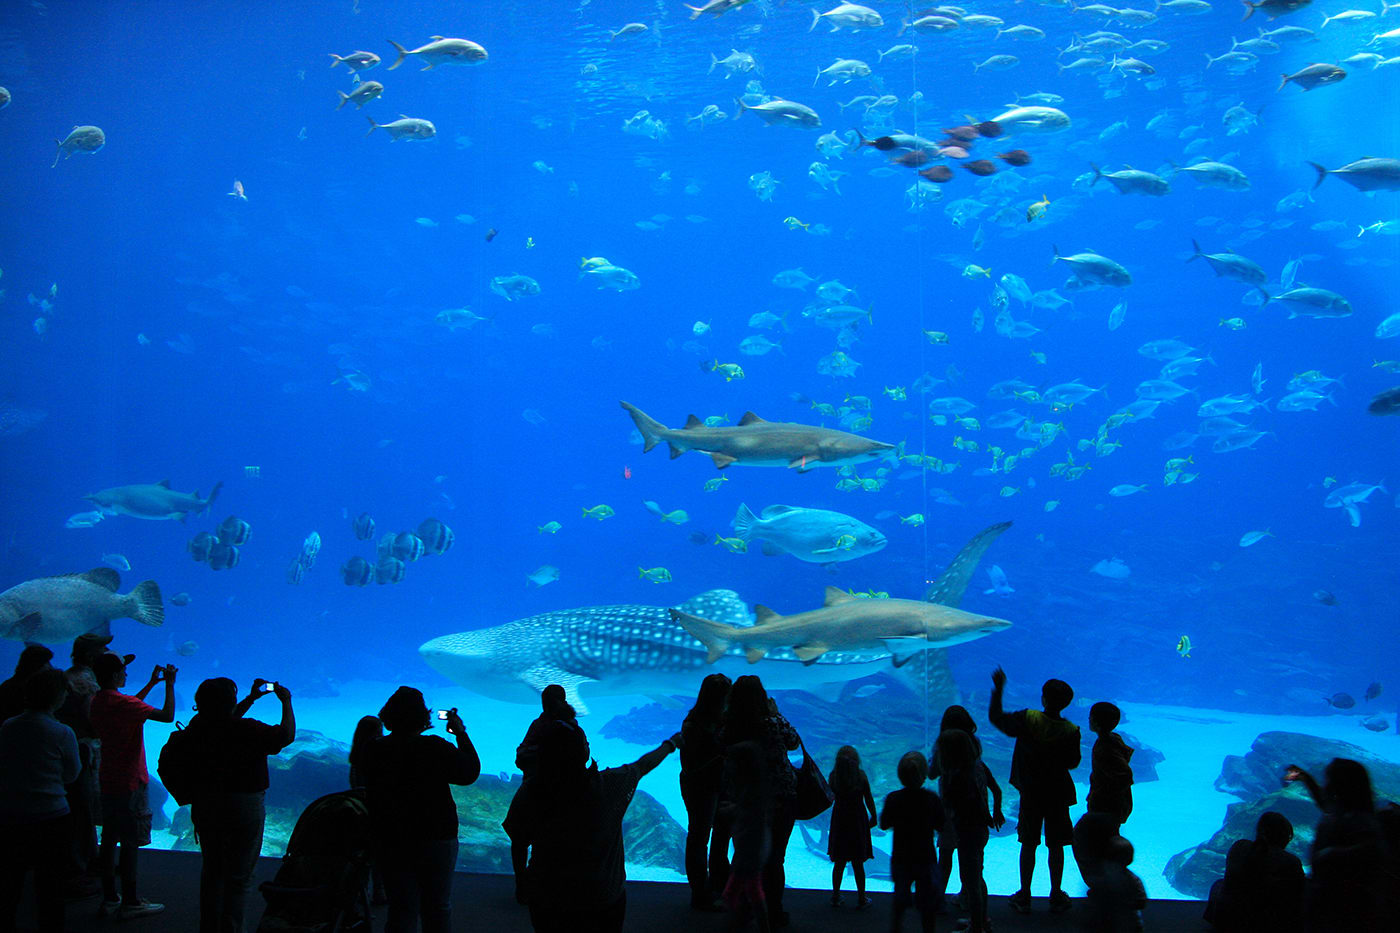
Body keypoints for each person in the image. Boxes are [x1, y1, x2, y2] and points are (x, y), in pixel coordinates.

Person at [516, 718, 681, 933]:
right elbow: (642, 766)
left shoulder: (531, 791)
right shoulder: (609, 784)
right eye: (584, 742)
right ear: (582, 752)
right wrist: (670, 745)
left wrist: (522, 883)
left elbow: (518, 840)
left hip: (548, 895)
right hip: (601, 895)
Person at [359, 686, 480, 933]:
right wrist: (460, 733)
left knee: (401, 908)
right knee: (437, 907)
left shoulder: (374, 748)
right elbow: (469, 773)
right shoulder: (434, 746)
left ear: (388, 714)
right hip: (436, 834)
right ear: (423, 717)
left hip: (391, 835)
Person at [183, 677, 296, 933]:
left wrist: (251, 698)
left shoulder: (197, 726)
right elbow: (286, 735)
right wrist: (286, 701)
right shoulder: (247, 729)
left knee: (212, 870)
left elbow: (221, 719)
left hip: (206, 803)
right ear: (230, 702)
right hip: (244, 805)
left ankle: (209, 928)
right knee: (239, 876)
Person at [987, 666, 1080, 915]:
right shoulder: (1071, 730)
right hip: (1057, 794)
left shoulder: (1028, 718)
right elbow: (1073, 762)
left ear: (1043, 698)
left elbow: (997, 719)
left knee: (1028, 843)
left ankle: (1025, 894)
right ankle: (1056, 893)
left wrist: (998, 690)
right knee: (1056, 845)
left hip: (1031, 793)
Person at [89, 653, 175, 921]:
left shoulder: (99, 700)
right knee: (129, 843)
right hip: (130, 782)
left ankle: (110, 898)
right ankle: (131, 900)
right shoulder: (123, 704)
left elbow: (131, 705)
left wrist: (151, 683)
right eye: (124, 671)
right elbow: (167, 716)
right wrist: (169, 684)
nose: (126, 674)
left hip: (107, 779)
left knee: (109, 840)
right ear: (116, 675)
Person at [0, 669, 80, 933]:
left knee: (10, 881)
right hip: (52, 816)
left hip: (12, 815)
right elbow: (72, 774)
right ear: (57, 696)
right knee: (50, 885)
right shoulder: (62, 732)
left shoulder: (8, 726)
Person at [719, 676, 801, 929]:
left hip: (742, 802)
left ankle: (742, 910)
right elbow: (794, 742)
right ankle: (773, 912)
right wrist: (777, 713)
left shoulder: (729, 726)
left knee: (744, 856)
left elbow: (721, 751)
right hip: (779, 798)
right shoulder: (774, 723)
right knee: (775, 858)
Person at [1283, 758, 1389, 932]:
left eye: (1330, 780)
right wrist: (1305, 777)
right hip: (1324, 897)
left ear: (1342, 785)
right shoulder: (1342, 809)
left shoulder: (1362, 820)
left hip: (1345, 905)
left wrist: (1332, 854)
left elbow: (1372, 850)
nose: (1327, 785)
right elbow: (1324, 804)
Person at [503, 685, 578, 906]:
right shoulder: (563, 727)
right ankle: (528, 884)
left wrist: (541, 757)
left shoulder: (548, 727)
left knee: (522, 840)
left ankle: (527, 884)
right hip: (554, 793)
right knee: (528, 839)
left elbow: (521, 756)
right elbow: (583, 757)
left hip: (539, 791)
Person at [928, 705, 1003, 917]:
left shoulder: (943, 747)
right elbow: (994, 788)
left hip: (954, 816)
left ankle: (940, 899)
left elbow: (932, 774)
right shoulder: (976, 757)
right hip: (975, 820)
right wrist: (992, 813)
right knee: (972, 865)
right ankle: (968, 899)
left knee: (946, 856)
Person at [55, 634, 114, 900]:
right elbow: (94, 720)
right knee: (82, 810)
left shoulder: (70, 676)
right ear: (91, 655)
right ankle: (78, 872)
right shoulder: (84, 681)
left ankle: (90, 862)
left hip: (76, 752)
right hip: (84, 752)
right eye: (103, 648)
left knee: (83, 810)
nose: (108, 650)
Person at [1203, 810, 1303, 933]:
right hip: (1264, 923)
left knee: (1218, 884)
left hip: (1227, 918)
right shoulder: (1291, 861)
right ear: (1285, 837)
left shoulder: (1239, 847)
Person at [681, 672, 731, 910]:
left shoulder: (698, 720)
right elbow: (691, 763)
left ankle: (716, 887)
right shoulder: (695, 724)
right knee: (699, 838)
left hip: (713, 785)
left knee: (715, 838)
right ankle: (700, 892)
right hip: (701, 786)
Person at [879, 751, 945, 933]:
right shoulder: (932, 798)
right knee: (927, 904)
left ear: (900, 775)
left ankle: (896, 929)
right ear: (924, 775)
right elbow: (942, 825)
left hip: (902, 857)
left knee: (900, 900)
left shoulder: (893, 798)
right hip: (926, 858)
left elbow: (884, 824)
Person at [721, 739, 771, 933]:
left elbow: (753, 816)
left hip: (751, 848)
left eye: (731, 762)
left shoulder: (751, 791)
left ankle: (741, 925)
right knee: (748, 891)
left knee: (745, 892)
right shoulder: (753, 788)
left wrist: (734, 811)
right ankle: (743, 924)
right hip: (751, 846)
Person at [826, 745, 876, 908]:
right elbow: (868, 798)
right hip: (857, 822)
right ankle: (861, 897)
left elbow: (828, 797)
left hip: (840, 821)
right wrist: (874, 816)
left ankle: (835, 896)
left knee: (839, 862)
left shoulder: (834, 776)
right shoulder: (861, 776)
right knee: (858, 862)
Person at [348, 714, 387, 906]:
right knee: (378, 856)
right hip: (376, 811)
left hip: (359, 811)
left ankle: (360, 894)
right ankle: (377, 891)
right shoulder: (377, 756)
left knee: (363, 856)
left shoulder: (355, 758)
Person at [1082, 836, 1146, 933]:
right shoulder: (1134, 880)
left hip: (1113, 922)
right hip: (1128, 922)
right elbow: (1141, 900)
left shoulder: (1102, 878)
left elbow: (1093, 894)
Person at [1086, 702, 1133, 828]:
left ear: (1096, 722)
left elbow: (1125, 775)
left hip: (1106, 804)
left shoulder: (1106, 746)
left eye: (1090, 717)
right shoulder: (1114, 739)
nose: (1088, 719)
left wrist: (1102, 793)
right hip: (1110, 803)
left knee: (1103, 838)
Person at [0, 644, 55, 723]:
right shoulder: (32, 691)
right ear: (36, 666)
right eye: (46, 663)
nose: (50, 667)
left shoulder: (6, 685)